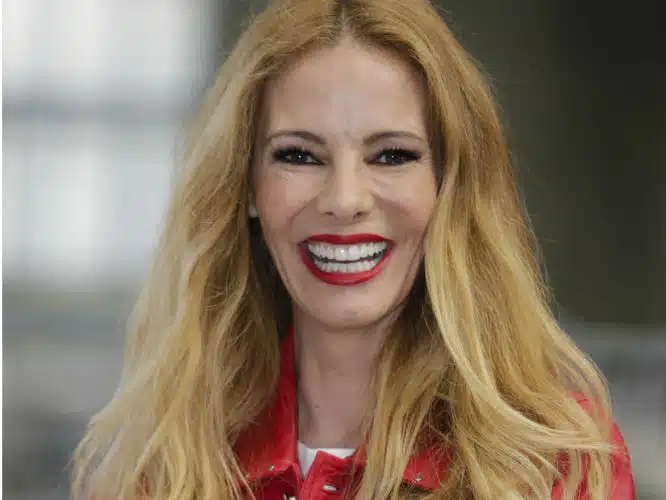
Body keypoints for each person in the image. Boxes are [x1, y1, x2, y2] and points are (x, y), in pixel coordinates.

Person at [72, 0, 635, 498]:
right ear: (246, 187)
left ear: (448, 185)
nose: (344, 200)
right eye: (299, 155)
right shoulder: (153, 474)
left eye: (392, 156)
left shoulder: (560, 468)